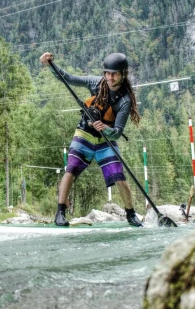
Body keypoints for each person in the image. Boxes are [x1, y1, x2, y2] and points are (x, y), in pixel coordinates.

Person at [41, 51, 143, 227]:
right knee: (71, 168)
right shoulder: (95, 83)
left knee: (119, 176)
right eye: (107, 73)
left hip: (106, 140)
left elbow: (118, 132)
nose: (110, 77)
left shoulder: (125, 100)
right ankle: (60, 213)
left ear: (123, 75)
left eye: (114, 74)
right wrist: (50, 65)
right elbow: (69, 78)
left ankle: (131, 214)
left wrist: (106, 129)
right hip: (84, 133)